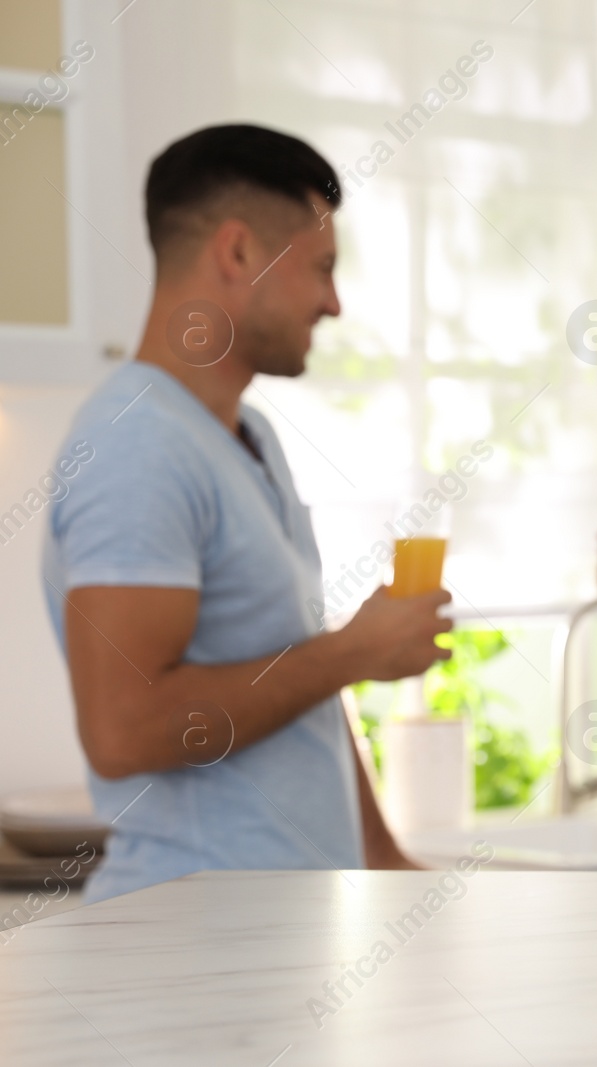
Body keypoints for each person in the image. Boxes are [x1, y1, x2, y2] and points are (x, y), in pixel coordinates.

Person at [42, 124, 452, 902]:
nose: (333, 302)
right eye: (322, 269)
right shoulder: (137, 445)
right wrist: (353, 652)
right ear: (236, 254)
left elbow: (295, 671)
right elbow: (123, 728)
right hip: (189, 939)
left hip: (274, 931)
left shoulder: (247, 434)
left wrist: (384, 856)